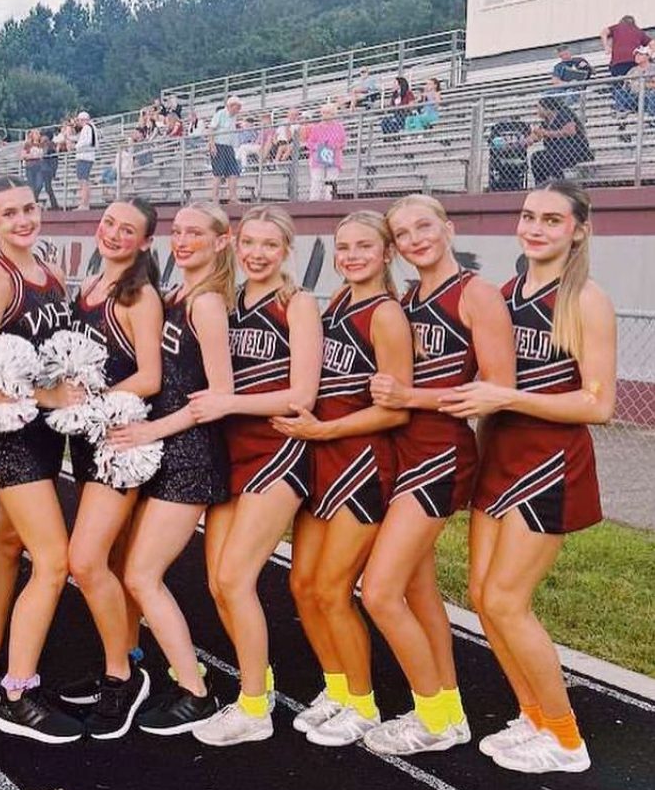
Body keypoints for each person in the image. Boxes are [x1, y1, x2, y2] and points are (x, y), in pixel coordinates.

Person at [441, 182, 615, 774]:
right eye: (528, 216)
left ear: (578, 230)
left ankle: (567, 741)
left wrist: (507, 395)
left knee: (510, 601)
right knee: (484, 598)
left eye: (551, 220)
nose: (535, 228)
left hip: (549, 462)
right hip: (500, 455)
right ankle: (534, 716)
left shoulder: (586, 300)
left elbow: (598, 406)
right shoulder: (505, 294)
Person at [358, 195, 514, 756]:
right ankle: (449, 709)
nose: (415, 238)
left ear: (448, 228)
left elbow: (494, 391)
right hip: (401, 452)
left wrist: (410, 395)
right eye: (402, 233)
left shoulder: (475, 293)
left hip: (440, 456)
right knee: (419, 592)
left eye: (424, 226)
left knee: (378, 592)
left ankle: (432, 715)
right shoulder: (407, 297)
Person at [274, 210, 413, 747]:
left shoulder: (385, 315)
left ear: (386, 254)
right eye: (344, 247)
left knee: (334, 589)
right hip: (322, 457)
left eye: (364, 247)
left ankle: (364, 703)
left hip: (359, 461)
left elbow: (395, 411)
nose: (352, 256)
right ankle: (337, 686)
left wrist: (324, 431)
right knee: (302, 584)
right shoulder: (335, 303)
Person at [186, 206, 322, 745]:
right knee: (218, 582)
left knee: (236, 579)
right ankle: (255, 682)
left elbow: (301, 396)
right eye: (249, 243)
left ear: (286, 249)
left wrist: (228, 402)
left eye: (270, 244)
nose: (257, 253)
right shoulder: (229, 303)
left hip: (279, 450)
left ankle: (254, 708)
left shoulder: (299, 304)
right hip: (232, 450)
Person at [0, 176, 85, 742]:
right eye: (8, 214)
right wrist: (48, 397)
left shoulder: (49, 274)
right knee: (54, 562)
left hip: (41, 437)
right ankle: (17, 693)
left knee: (6, 544)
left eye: (29, 208)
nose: (22, 220)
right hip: (11, 437)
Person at [107, 201, 236, 735]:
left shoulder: (205, 304)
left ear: (221, 241)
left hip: (190, 455)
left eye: (195, 234)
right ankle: (156, 673)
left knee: (141, 574)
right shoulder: (177, 295)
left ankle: (196, 689)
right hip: (164, 451)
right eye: (177, 232)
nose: (182, 241)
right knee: (131, 570)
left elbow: (220, 395)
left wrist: (151, 431)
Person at [56, 199, 163, 738]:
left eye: (129, 231)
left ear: (145, 243)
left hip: (119, 441)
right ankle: (125, 659)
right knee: (112, 561)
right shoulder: (91, 287)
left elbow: (149, 376)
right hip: (90, 439)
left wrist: (91, 402)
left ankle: (123, 676)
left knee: (84, 561)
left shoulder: (139, 295)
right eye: (109, 224)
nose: (115, 234)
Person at [528, 96, 593, 184]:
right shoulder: (545, 122)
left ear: (547, 108)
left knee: (549, 158)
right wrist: (530, 137)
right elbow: (536, 136)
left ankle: (560, 184)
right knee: (536, 157)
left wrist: (547, 133)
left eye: (539, 108)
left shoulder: (564, 113)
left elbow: (571, 131)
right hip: (555, 152)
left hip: (574, 150)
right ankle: (541, 185)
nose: (537, 111)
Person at [303, 103, 347, 201]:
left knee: (331, 180)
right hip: (318, 157)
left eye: (328, 113)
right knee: (316, 179)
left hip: (334, 157)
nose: (326, 115)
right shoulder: (316, 127)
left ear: (333, 114)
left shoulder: (339, 127)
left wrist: (334, 146)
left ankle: (329, 199)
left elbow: (343, 142)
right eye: (324, 113)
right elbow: (309, 143)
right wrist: (318, 146)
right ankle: (314, 200)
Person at [207, 96, 243, 204]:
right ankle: (215, 198)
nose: (239, 110)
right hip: (219, 145)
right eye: (237, 107)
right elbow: (211, 129)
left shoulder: (234, 116)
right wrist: (212, 145)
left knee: (233, 171)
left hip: (229, 146)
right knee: (218, 173)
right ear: (230, 106)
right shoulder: (220, 114)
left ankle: (232, 196)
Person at [75, 111, 97, 210]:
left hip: (84, 157)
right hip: (88, 156)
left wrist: (76, 146)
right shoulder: (92, 128)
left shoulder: (87, 128)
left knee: (83, 181)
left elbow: (86, 142)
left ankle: (84, 204)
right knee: (85, 181)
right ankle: (85, 203)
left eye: (79, 120)